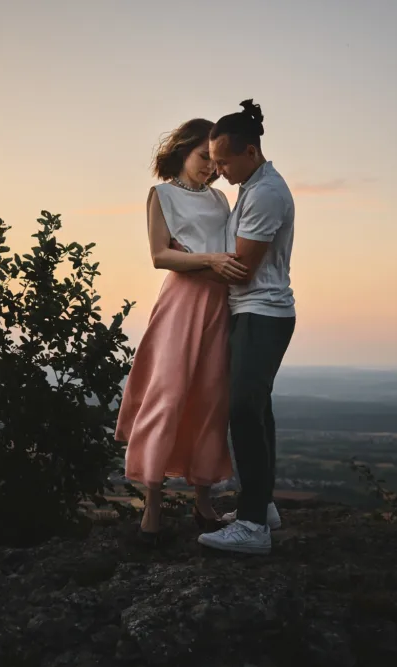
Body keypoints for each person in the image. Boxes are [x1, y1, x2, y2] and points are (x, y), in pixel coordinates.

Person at [114, 118, 248, 546]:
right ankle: (152, 506)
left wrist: (218, 264)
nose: (211, 168)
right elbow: (160, 255)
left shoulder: (222, 199)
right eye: (203, 158)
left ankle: (203, 501)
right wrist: (210, 260)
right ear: (184, 150)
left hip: (219, 305)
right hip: (180, 305)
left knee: (210, 399)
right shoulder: (162, 195)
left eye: (215, 161)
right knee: (167, 394)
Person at [197, 100, 296, 556]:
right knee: (258, 410)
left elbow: (243, 268)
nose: (217, 170)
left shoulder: (265, 193)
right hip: (252, 312)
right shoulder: (251, 187)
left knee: (242, 411)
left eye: (223, 160)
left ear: (250, 152)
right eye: (213, 161)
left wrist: (190, 264)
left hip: (262, 312)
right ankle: (265, 506)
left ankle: (253, 526)